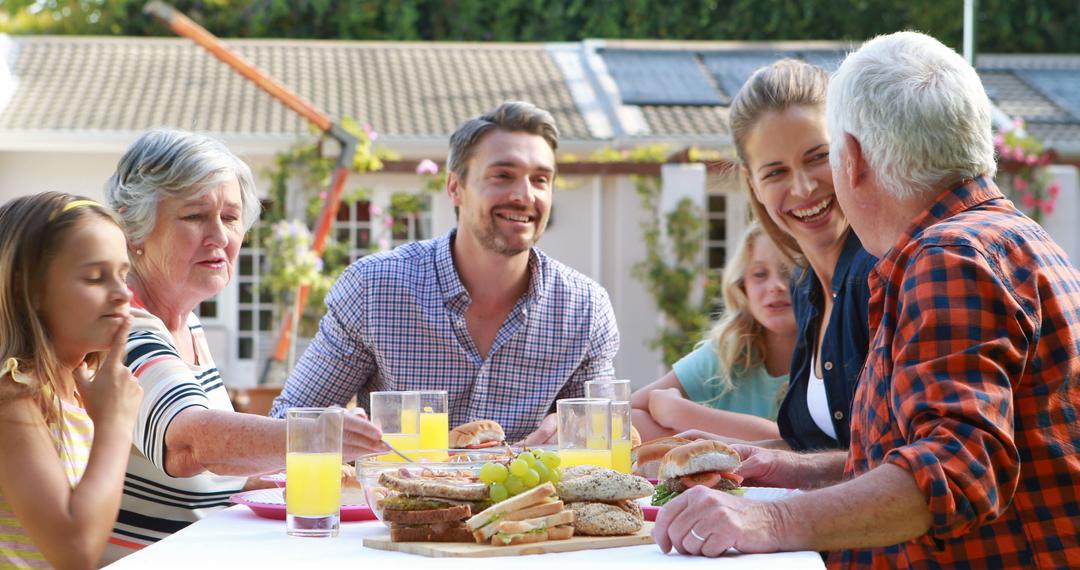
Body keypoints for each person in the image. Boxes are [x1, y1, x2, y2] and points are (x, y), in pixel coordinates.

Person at [653, 31, 1080, 567]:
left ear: (849, 159)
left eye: (823, 158)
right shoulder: (1002, 237)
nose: (810, 186)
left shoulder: (948, 256)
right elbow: (909, 457)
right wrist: (791, 468)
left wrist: (767, 519)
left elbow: (955, 470)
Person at [102, 129, 385, 562]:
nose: (219, 236)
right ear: (134, 226)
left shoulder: (186, 324)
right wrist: (321, 435)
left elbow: (220, 477)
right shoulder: (121, 323)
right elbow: (190, 446)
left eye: (231, 218)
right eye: (195, 216)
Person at [269, 101, 619, 443]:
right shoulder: (374, 288)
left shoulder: (585, 309)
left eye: (541, 180)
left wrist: (577, 431)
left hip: (528, 502)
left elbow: (602, 440)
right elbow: (290, 423)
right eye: (503, 176)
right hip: (396, 497)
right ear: (455, 187)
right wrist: (334, 431)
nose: (524, 195)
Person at [0, 193, 143, 568]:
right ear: (27, 291)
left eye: (123, 275)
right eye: (95, 277)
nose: (122, 294)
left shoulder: (83, 393)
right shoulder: (12, 397)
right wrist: (115, 424)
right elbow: (74, 552)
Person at [630, 222, 796, 442]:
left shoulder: (832, 358)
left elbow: (801, 447)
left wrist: (682, 414)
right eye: (759, 274)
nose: (776, 285)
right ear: (741, 286)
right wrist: (698, 444)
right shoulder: (729, 351)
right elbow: (622, 417)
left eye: (789, 272)